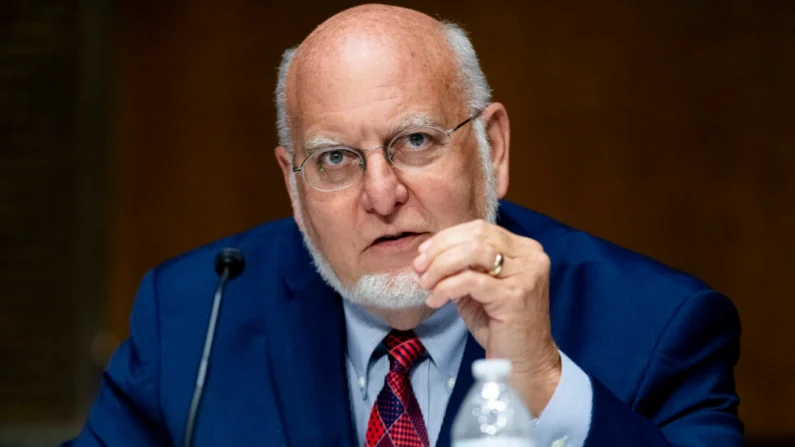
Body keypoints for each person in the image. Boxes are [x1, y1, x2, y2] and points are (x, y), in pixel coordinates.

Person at [65, 4, 743, 447]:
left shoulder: (656, 322)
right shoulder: (195, 313)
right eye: (335, 158)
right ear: (294, 185)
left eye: (415, 140)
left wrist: (541, 379)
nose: (381, 193)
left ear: (492, 148)